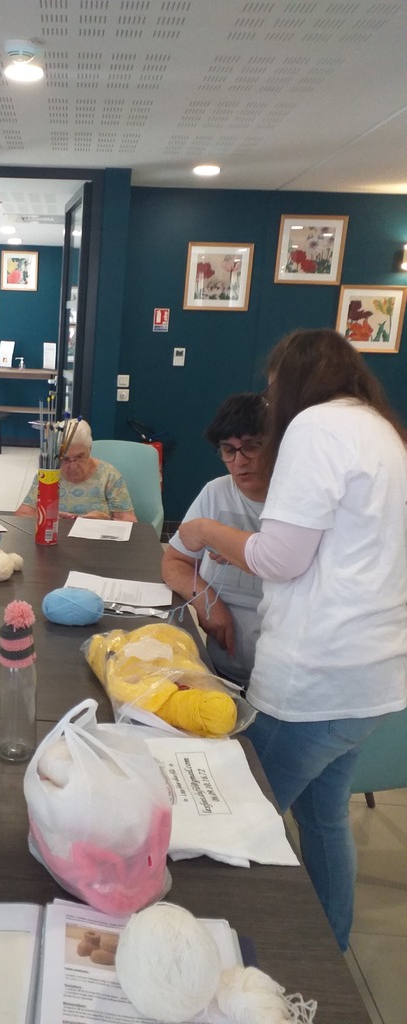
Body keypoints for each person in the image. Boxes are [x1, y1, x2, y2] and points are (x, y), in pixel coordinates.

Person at [178, 328, 407, 951]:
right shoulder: (380, 430)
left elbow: (279, 559)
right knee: (323, 816)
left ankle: (222, 960)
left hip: (315, 678)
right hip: (369, 681)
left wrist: (206, 532)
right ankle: (330, 952)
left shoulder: (314, 428)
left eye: (273, 389)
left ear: (292, 384)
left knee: (238, 820)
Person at [163, 393, 268, 688]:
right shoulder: (216, 492)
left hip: (283, 681)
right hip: (223, 669)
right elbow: (175, 561)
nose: (240, 462)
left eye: (252, 447)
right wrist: (206, 600)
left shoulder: (297, 500)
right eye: (228, 450)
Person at [15, 419, 136, 521]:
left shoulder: (109, 475)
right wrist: (48, 518)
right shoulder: (48, 474)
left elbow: (130, 522)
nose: (73, 466)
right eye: (65, 459)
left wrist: (107, 521)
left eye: (80, 457)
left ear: (89, 450)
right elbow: (22, 514)